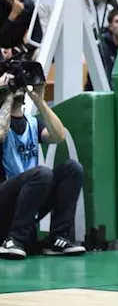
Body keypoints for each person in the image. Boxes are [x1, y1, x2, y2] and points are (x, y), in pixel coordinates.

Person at [0, 57, 83, 258]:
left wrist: (39, 100)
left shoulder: (32, 122)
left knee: (72, 168)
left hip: (31, 193)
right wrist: (7, 97)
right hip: (4, 198)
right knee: (42, 174)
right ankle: (14, 239)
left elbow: (58, 136)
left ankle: (57, 238)